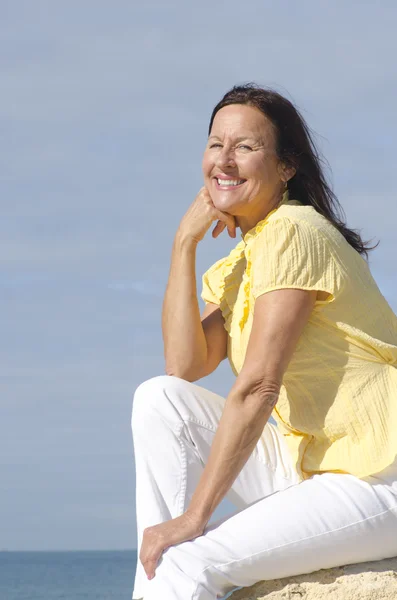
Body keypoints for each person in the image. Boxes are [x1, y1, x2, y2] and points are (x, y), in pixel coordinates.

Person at [131, 84, 397, 600]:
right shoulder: (240, 263)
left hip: (379, 472)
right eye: (215, 144)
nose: (224, 161)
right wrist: (183, 244)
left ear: (286, 167)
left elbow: (258, 386)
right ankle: (160, 563)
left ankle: (174, 561)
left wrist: (196, 517)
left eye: (246, 147)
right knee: (158, 399)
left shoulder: (295, 230)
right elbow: (183, 366)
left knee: (188, 561)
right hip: (311, 463)